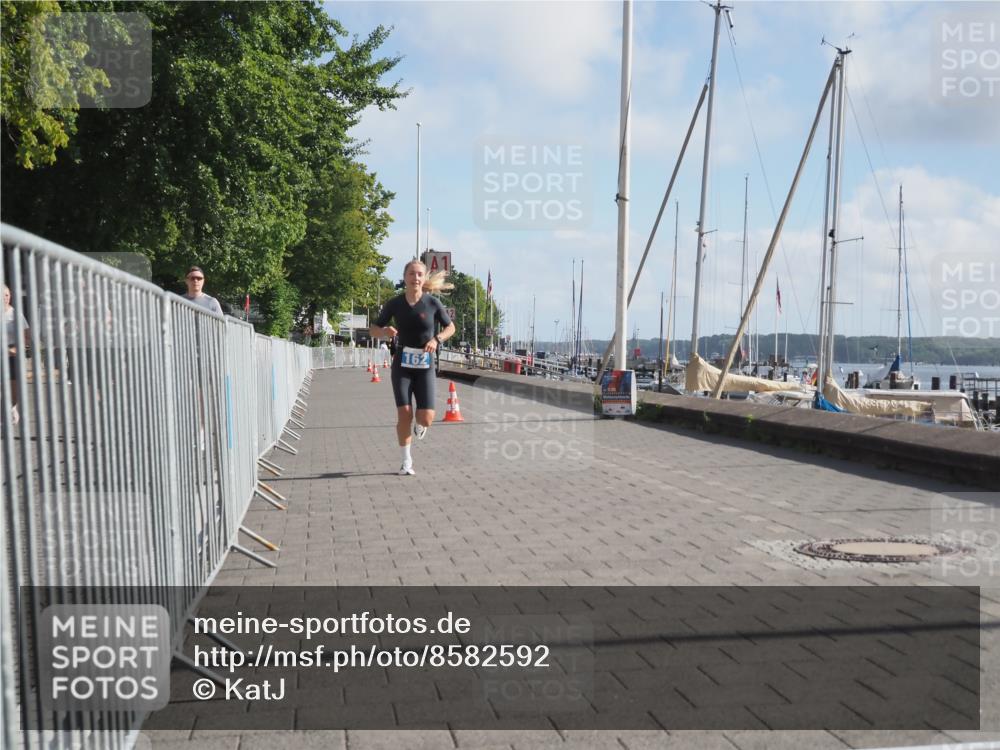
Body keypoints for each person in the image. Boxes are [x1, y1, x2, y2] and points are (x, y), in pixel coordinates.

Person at [369, 259, 456, 476]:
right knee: (404, 413)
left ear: (424, 278)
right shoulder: (395, 303)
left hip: (425, 364)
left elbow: (451, 327)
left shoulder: (433, 303)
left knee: (425, 417)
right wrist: (384, 331)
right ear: (405, 277)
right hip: (402, 364)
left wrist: (436, 339)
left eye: (419, 274)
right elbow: (373, 329)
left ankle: (421, 426)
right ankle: (406, 461)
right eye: (411, 274)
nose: (415, 278)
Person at [4, 284, 30, 425]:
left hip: (13, 354)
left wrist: (14, 349)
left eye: (7, 295)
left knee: (14, 392)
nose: (4, 298)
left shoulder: (16, 314)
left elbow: (26, 337)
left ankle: (12, 408)